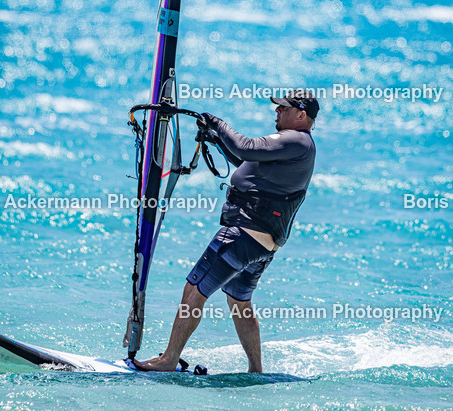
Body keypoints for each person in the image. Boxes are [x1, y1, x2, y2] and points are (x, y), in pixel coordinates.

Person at [132, 90, 319, 373]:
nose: (276, 112)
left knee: (195, 289)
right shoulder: (295, 148)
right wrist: (216, 139)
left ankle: (169, 359)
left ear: (301, 115)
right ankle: (256, 369)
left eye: (283, 109)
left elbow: (245, 147)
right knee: (239, 300)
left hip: (242, 235)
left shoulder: (296, 140)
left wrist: (218, 123)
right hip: (261, 246)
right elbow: (246, 162)